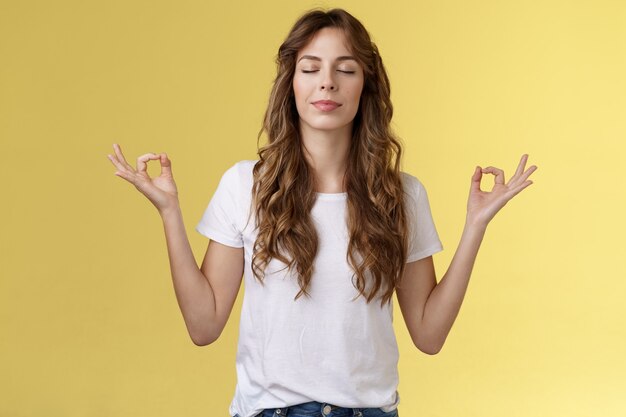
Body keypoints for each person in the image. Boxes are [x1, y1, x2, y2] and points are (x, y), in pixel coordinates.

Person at [106, 7, 537, 417]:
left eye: (345, 70)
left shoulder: (401, 196)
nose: (327, 83)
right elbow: (203, 327)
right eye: (310, 69)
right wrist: (169, 212)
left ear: (365, 85)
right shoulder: (245, 186)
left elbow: (429, 334)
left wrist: (476, 226)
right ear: (290, 85)